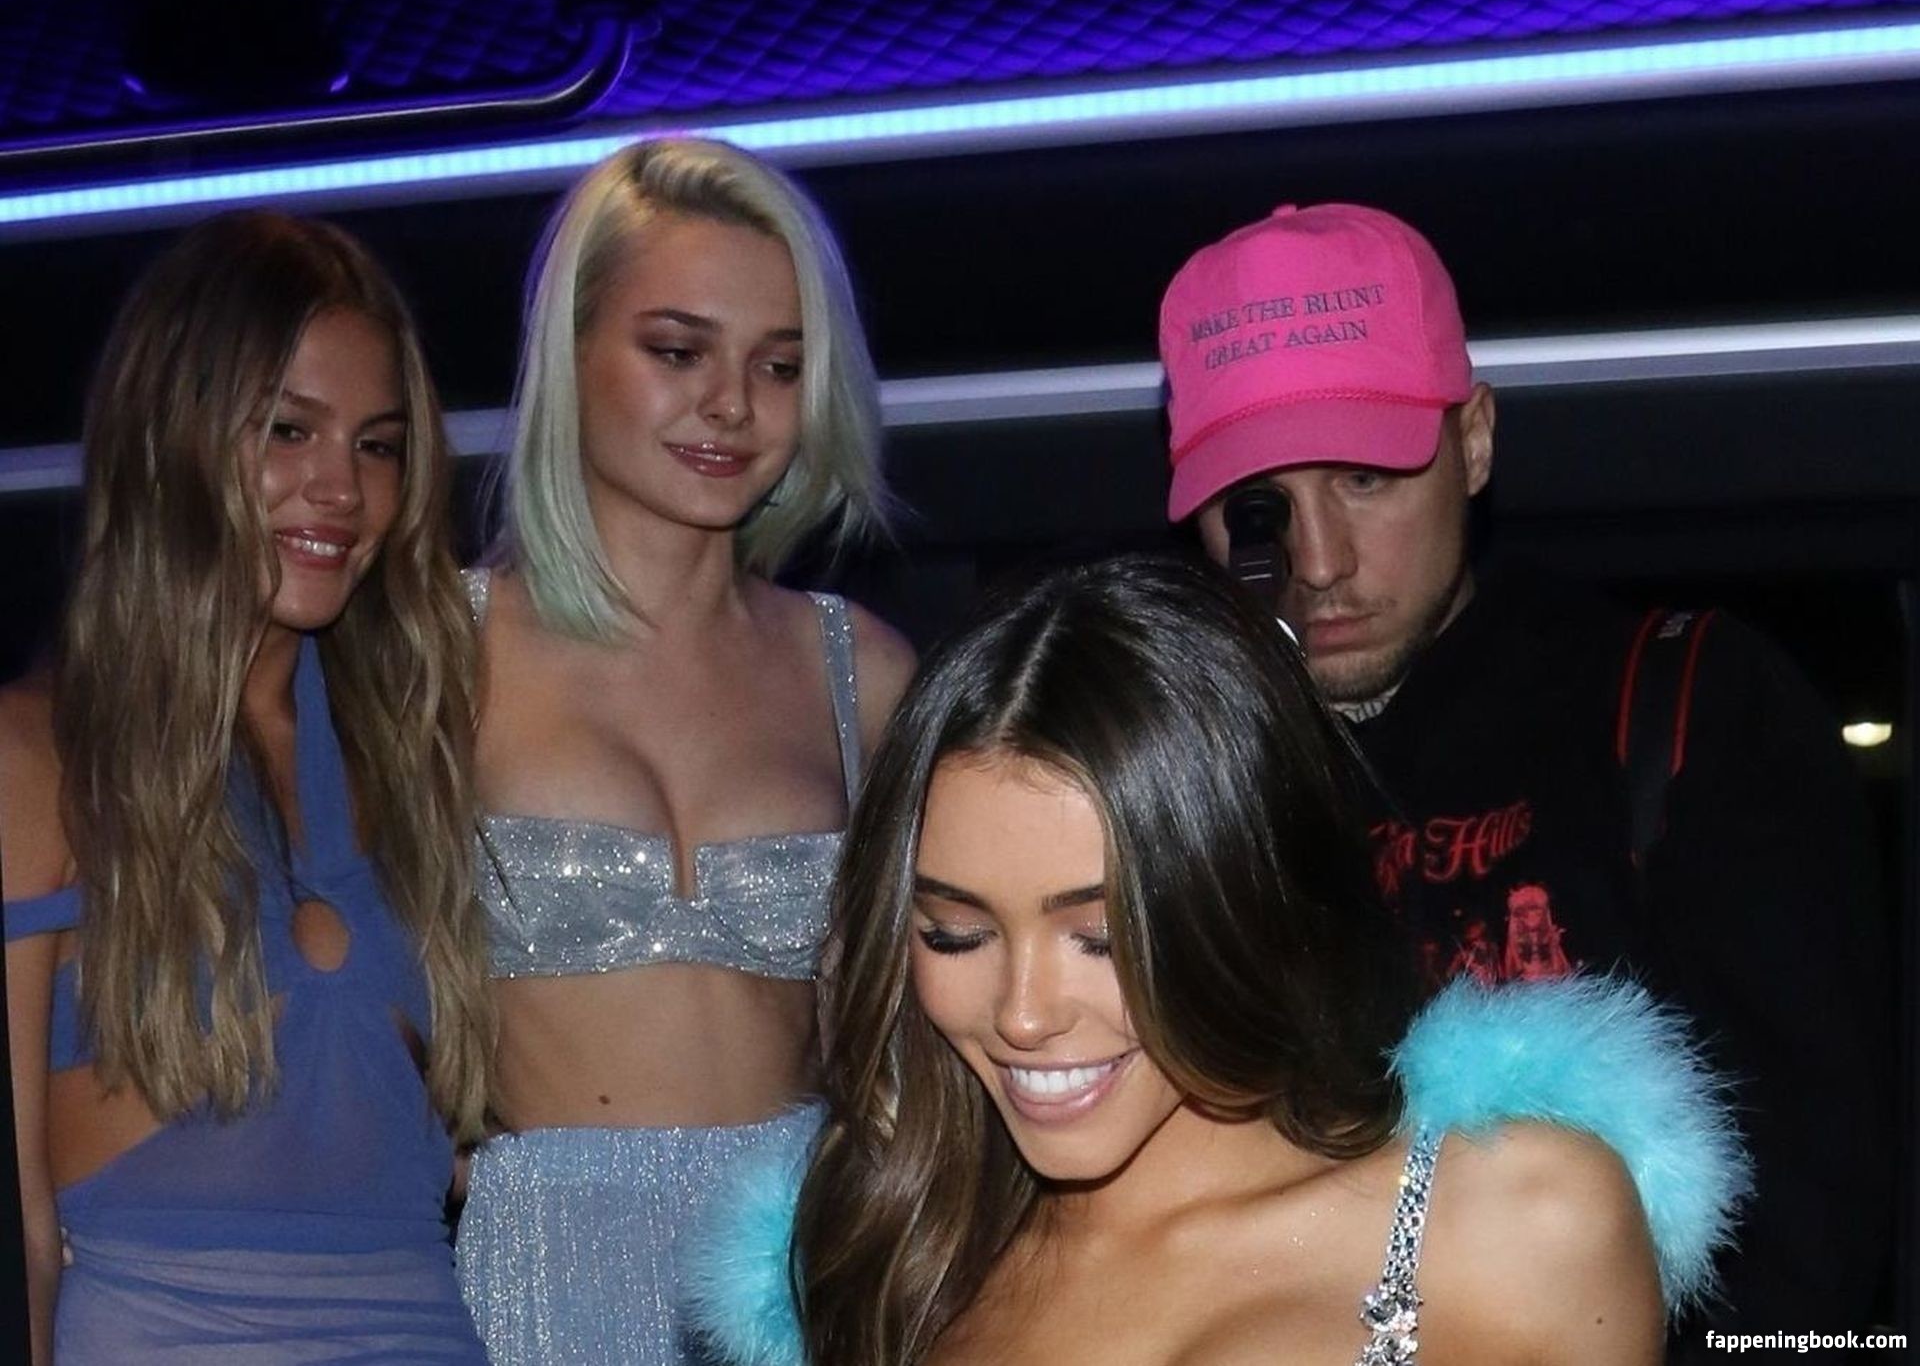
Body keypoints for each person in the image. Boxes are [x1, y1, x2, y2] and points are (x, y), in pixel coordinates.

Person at [1157, 202, 1892, 1346]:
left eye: (1365, 478)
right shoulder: (1187, 785)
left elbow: (1814, 1223)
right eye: (1260, 507)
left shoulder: (1684, 707)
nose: (1319, 561)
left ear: (1475, 440)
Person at [712, 554, 1738, 1366]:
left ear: (1248, 898)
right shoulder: (883, 1267)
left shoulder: (1526, 1217)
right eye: (958, 933)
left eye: (1102, 937)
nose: (1022, 1012)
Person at [0, 211, 492, 1362]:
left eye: (377, 446)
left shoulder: (420, 754)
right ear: (172, 436)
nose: (340, 488)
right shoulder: (36, 760)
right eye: (288, 429)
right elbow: (20, 1225)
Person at [454, 137, 915, 1364]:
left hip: (799, 1276)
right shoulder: (436, 652)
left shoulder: (862, 673)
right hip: (538, 1278)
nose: (732, 405)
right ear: (572, 353)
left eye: (780, 366)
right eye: (677, 351)